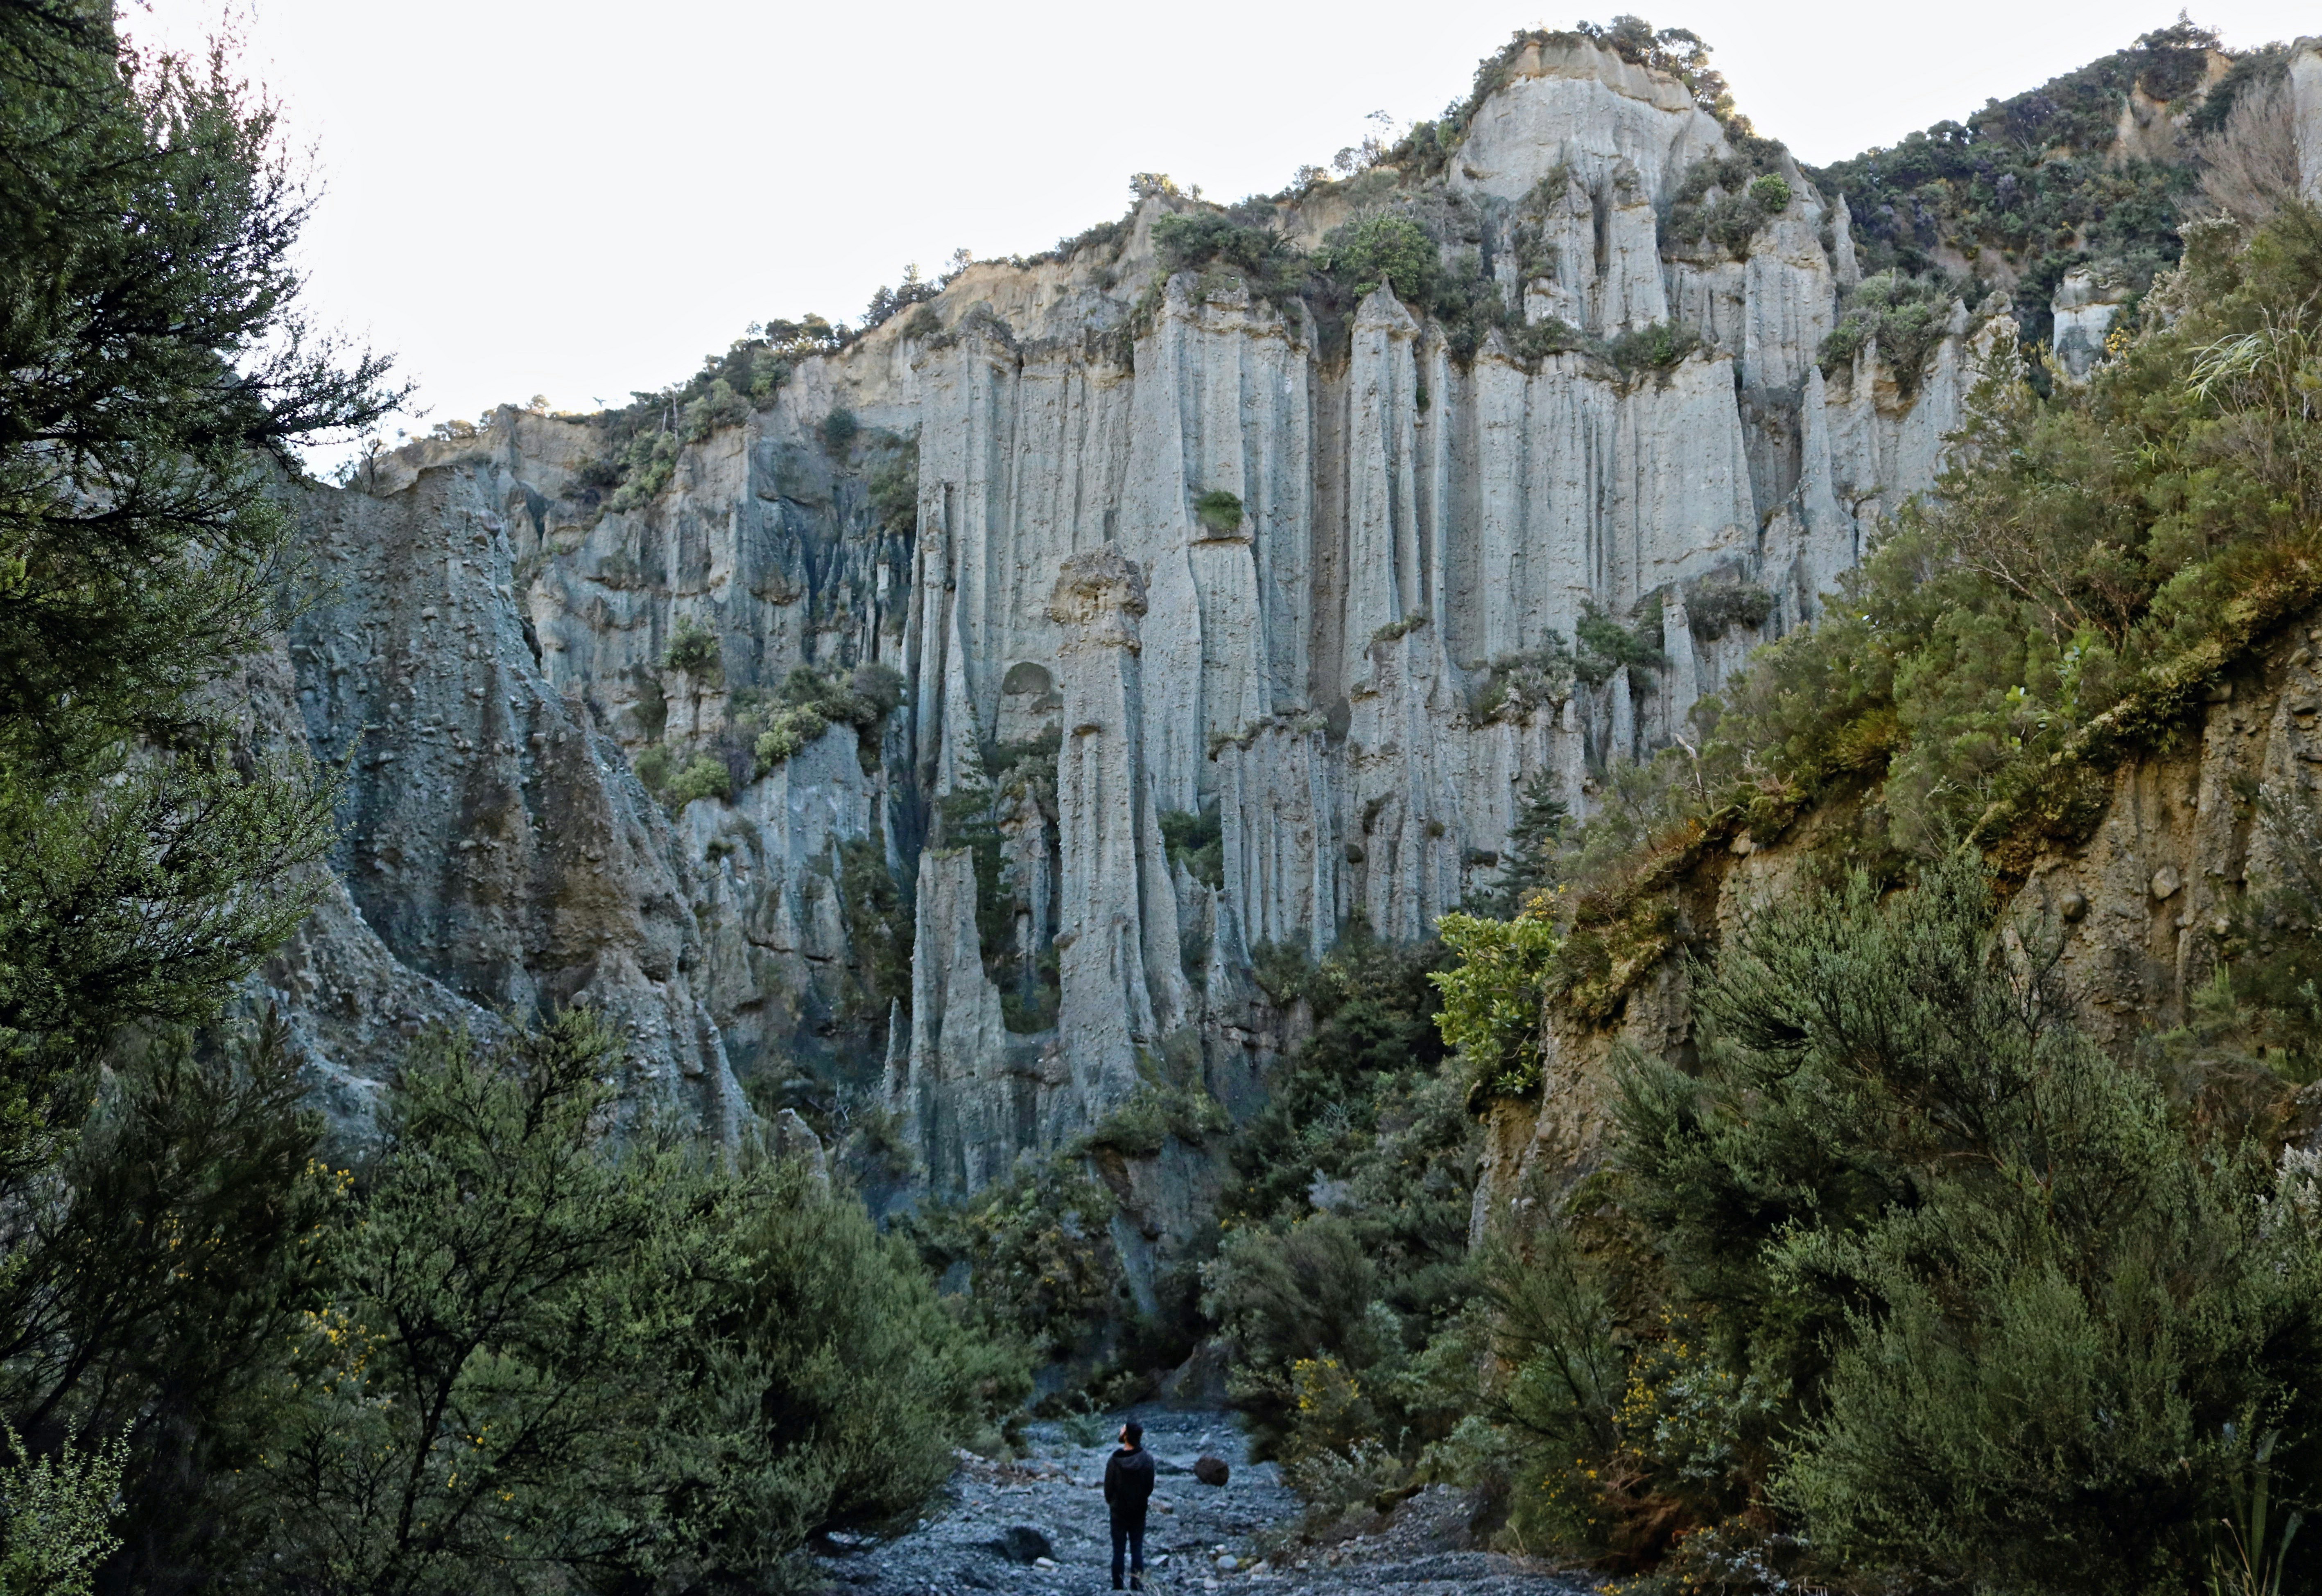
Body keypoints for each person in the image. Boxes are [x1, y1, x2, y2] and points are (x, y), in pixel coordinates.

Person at [1103, 1419, 1156, 1591]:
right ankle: (1137, 1586)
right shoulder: (1147, 1459)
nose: (1120, 1430)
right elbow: (1149, 1487)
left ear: (1126, 1436)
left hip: (1118, 1511)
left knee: (1118, 1551)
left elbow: (1108, 1489)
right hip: (1139, 1511)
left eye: (1123, 1429)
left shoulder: (1114, 1460)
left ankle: (1118, 1587)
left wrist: (1113, 1502)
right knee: (1137, 1549)